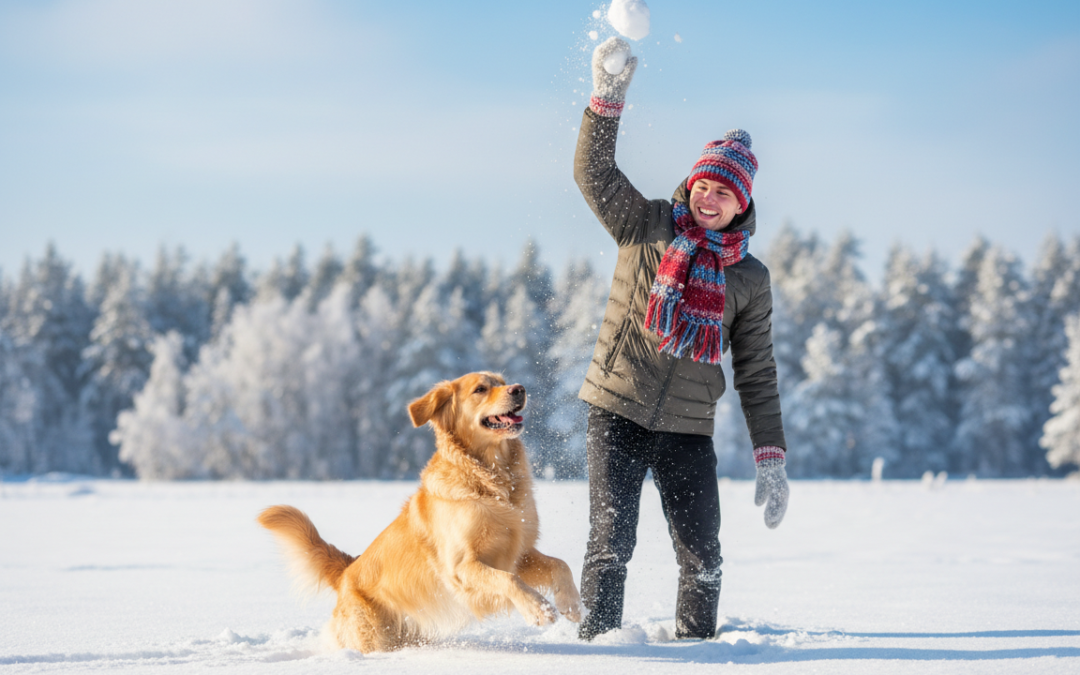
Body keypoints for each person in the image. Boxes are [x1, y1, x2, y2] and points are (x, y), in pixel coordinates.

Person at [573, 37, 790, 642]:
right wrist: (607, 96)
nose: (709, 197)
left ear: (741, 201)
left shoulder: (748, 277)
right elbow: (592, 172)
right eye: (703, 186)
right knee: (610, 544)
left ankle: (699, 654)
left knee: (703, 554)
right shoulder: (647, 225)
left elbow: (756, 370)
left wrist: (770, 456)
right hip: (616, 408)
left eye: (724, 192)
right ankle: (599, 651)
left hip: (688, 428)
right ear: (691, 182)